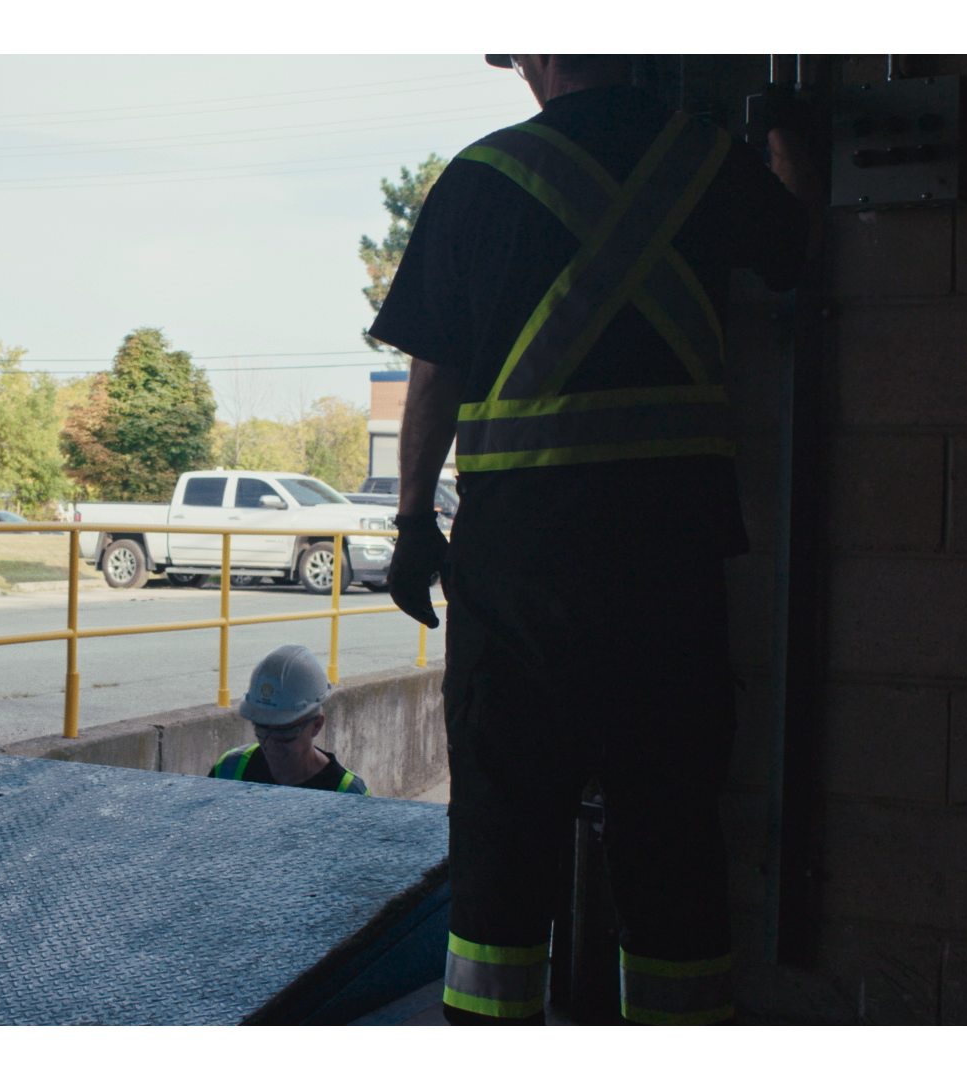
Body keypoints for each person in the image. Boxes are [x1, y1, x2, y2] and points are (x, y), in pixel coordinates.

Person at [371, 33, 818, 1047]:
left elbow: (433, 381)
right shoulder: (707, 163)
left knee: (504, 826)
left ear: (534, 49)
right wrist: (792, 128)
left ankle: (489, 1040)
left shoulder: (479, 181)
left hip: (519, 576)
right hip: (670, 570)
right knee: (670, 828)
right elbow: (794, 244)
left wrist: (409, 526)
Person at [209, 644, 369, 795]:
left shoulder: (349, 794)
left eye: (283, 732)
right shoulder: (229, 770)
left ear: (316, 725)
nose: (270, 743)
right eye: (261, 728)